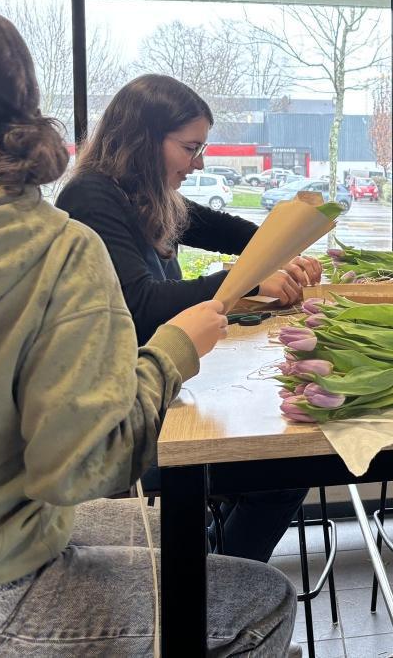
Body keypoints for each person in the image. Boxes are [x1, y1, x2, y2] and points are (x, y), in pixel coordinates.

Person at [0, 4, 295, 656]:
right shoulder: (58, 245)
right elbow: (81, 465)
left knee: (170, 534)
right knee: (259, 601)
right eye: (190, 147)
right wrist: (171, 354)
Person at [56, 74, 321, 563]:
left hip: (158, 397)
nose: (198, 162)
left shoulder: (145, 195)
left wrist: (283, 249)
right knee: (283, 472)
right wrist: (244, 283)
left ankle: (212, 578)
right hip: (119, 423)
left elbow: (231, 232)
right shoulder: (92, 198)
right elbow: (142, 305)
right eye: (190, 147)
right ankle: (217, 594)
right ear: (142, 140)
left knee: (281, 467)